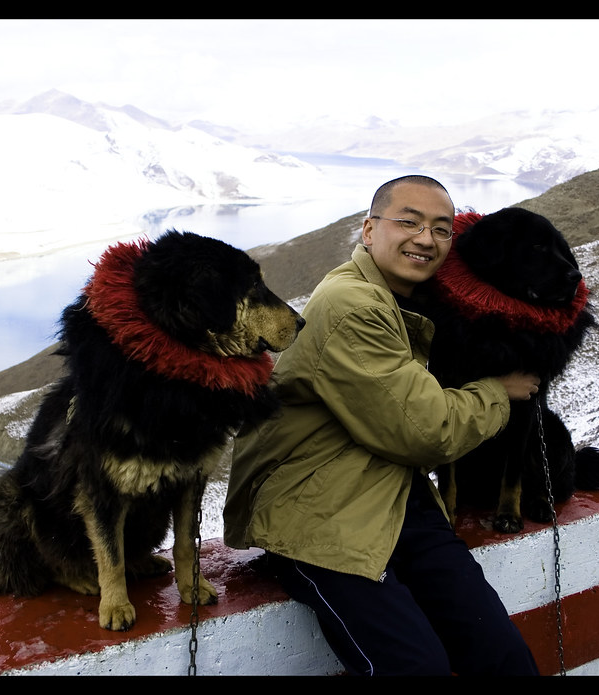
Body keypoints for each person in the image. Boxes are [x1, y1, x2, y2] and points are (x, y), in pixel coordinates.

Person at [223, 175, 541, 676]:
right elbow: (425, 430)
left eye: (441, 229)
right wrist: (499, 392)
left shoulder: (406, 300)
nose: (425, 239)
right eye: (409, 222)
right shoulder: (352, 305)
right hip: (316, 513)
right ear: (370, 231)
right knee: (414, 667)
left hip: (393, 495)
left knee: (500, 653)